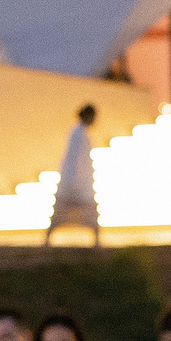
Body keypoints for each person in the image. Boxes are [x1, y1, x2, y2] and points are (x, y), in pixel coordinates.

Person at [45, 102, 101, 247]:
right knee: (61, 215)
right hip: (74, 185)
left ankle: (96, 242)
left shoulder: (80, 132)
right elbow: (74, 160)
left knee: (89, 217)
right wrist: (75, 183)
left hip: (78, 185)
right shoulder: (78, 133)